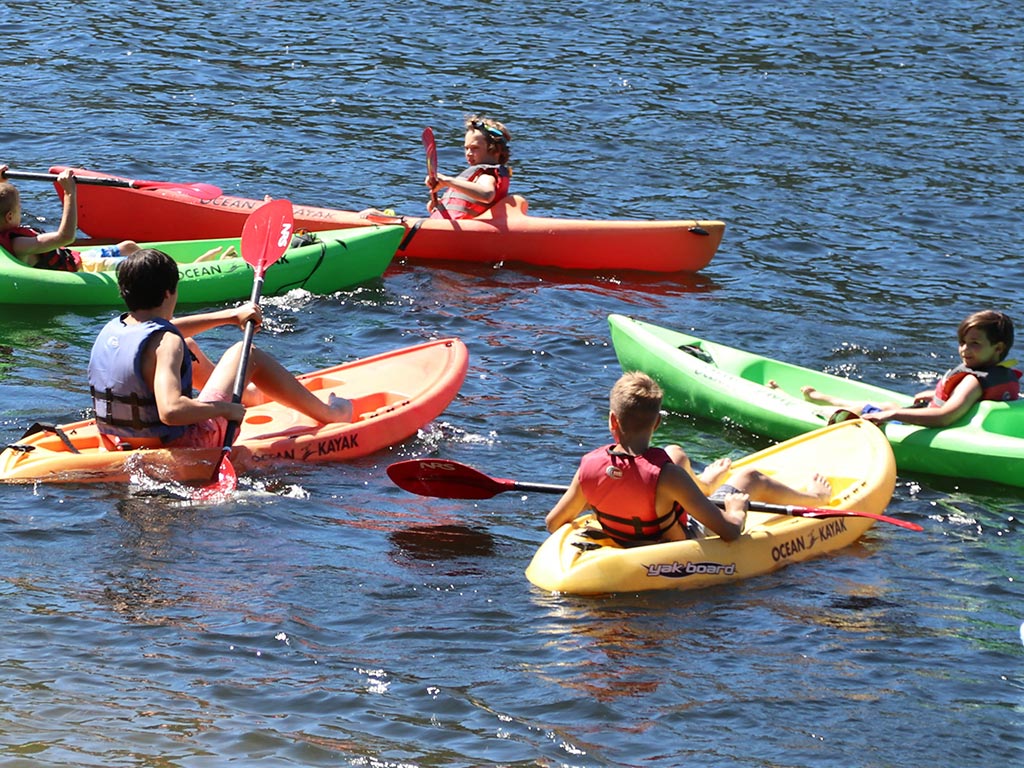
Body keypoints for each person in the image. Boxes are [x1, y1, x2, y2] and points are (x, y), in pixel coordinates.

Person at [88, 248, 353, 451]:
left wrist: (230, 316)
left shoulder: (116, 328)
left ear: (124, 292)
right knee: (244, 353)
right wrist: (224, 411)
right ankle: (331, 414)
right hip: (183, 445)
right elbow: (170, 411)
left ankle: (248, 394)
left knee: (187, 345)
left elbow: (167, 330)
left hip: (120, 440)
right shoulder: (166, 342)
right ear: (170, 292)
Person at [544, 372, 833, 545]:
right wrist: (736, 509)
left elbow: (554, 522)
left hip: (629, 529)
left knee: (675, 453)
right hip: (677, 541)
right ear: (657, 422)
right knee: (749, 478)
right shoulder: (669, 477)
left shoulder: (588, 467)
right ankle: (816, 499)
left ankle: (705, 483)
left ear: (612, 421)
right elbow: (730, 532)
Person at [778, 310, 1020, 428]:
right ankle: (823, 397)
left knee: (871, 409)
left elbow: (944, 416)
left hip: (923, 429)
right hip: (957, 424)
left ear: (998, 348)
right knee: (883, 405)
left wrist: (890, 417)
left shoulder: (972, 381)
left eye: (974, 344)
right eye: (962, 343)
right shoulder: (1002, 373)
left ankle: (800, 404)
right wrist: (935, 396)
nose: (964, 350)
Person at [0, 164, 139, 272]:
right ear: (10, 216)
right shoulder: (19, 244)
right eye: (19, 207)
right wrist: (69, 193)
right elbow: (66, 237)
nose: (22, 209)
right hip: (81, 269)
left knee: (128, 246)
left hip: (77, 258)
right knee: (140, 266)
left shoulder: (9, 232)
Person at [426, 115, 512, 219]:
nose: (469, 153)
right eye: (466, 148)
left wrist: (447, 181)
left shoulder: (487, 175)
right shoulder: (474, 179)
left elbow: (487, 195)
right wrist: (439, 207)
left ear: (496, 150)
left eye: (475, 148)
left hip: (461, 230)